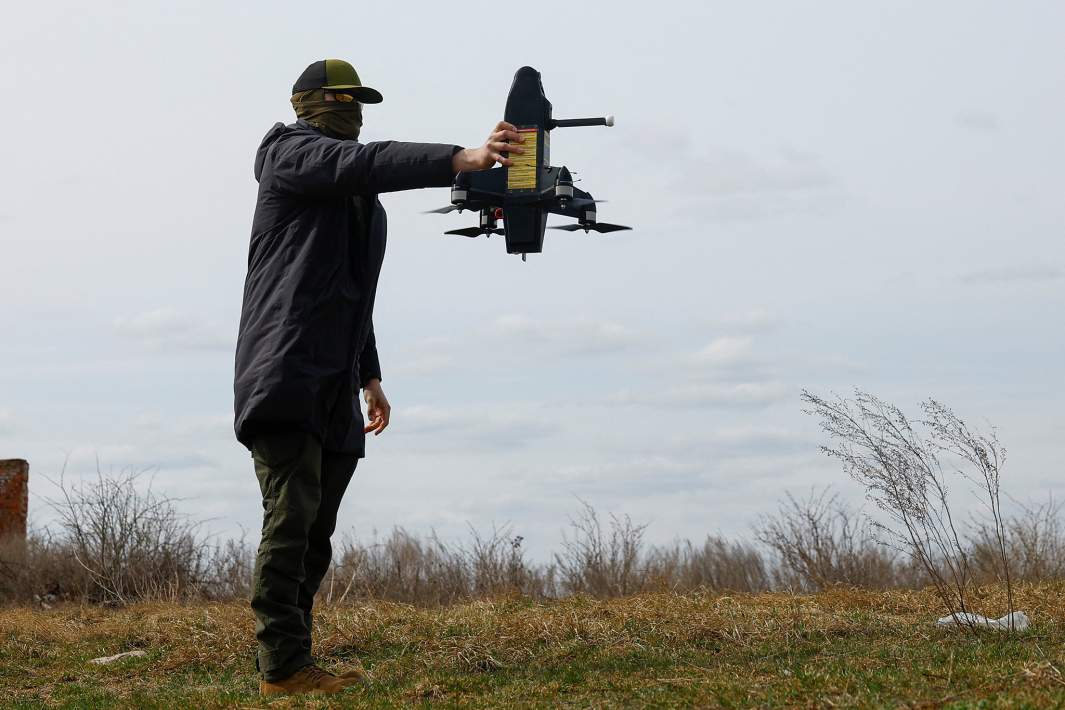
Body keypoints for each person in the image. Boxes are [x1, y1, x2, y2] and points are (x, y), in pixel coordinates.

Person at [233, 59, 524, 696]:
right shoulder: (292, 157)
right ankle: (279, 667)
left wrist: (370, 375)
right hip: (283, 371)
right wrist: (462, 156)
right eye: (344, 100)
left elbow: (353, 294)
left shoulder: (360, 202)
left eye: (362, 101)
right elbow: (363, 162)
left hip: (335, 379)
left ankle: (295, 662)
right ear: (308, 103)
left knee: (316, 532)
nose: (355, 112)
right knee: (290, 517)